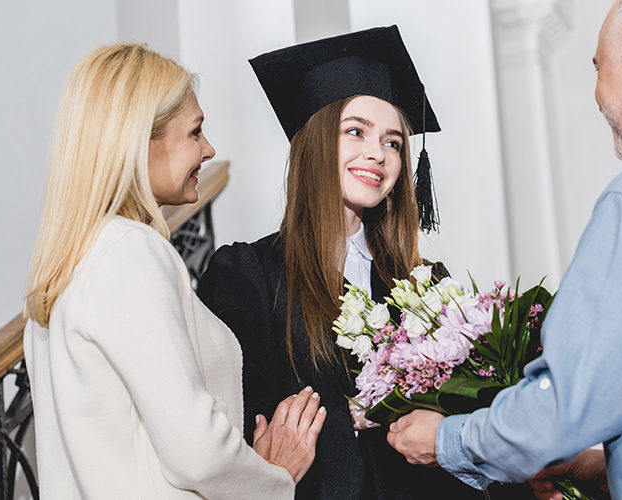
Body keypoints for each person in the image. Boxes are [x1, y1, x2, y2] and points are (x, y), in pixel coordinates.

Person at [386, 0, 622, 498]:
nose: (598, 95)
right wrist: (611, 464)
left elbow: (565, 407)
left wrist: (446, 439)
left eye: (598, 68)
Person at [197, 26, 503, 499]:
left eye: (394, 142)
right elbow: (246, 421)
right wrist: (363, 412)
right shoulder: (248, 276)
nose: (377, 154)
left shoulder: (426, 286)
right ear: (316, 142)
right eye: (355, 131)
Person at [23, 43, 325, 499]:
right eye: (195, 132)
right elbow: (195, 450)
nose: (209, 149)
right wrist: (272, 477)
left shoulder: (68, 264)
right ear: (138, 140)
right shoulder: (129, 252)